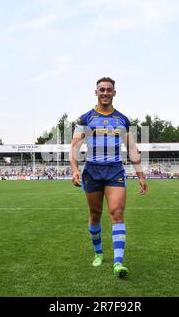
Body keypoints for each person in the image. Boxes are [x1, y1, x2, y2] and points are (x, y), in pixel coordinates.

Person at [70, 77, 148, 278]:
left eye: (109, 90)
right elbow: (75, 146)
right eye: (102, 89)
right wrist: (74, 169)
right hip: (92, 171)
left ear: (114, 93)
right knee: (95, 214)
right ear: (96, 92)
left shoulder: (122, 119)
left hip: (114, 170)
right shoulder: (85, 118)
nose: (105, 93)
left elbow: (131, 148)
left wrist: (140, 175)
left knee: (116, 212)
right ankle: (98, 253)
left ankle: (118, 263)